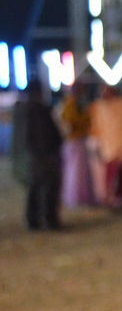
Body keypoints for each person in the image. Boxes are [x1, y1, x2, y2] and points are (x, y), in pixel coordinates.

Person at [12, 77, 64, 230]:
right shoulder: (38, 110)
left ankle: (33, 220)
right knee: (48, 188)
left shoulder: (20, 110)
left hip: (30, 157)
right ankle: (49, 219)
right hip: (43, 155)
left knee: (34, 189)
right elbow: (45, 134)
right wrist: (51, 150)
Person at [59, 82, 96, 208]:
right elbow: (71, 122)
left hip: (77, 140)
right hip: (75, 140)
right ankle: (77, 196)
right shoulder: (71, 105)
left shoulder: (74, 104)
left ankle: (80, 196)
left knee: (79, 170)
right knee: (76, 170)